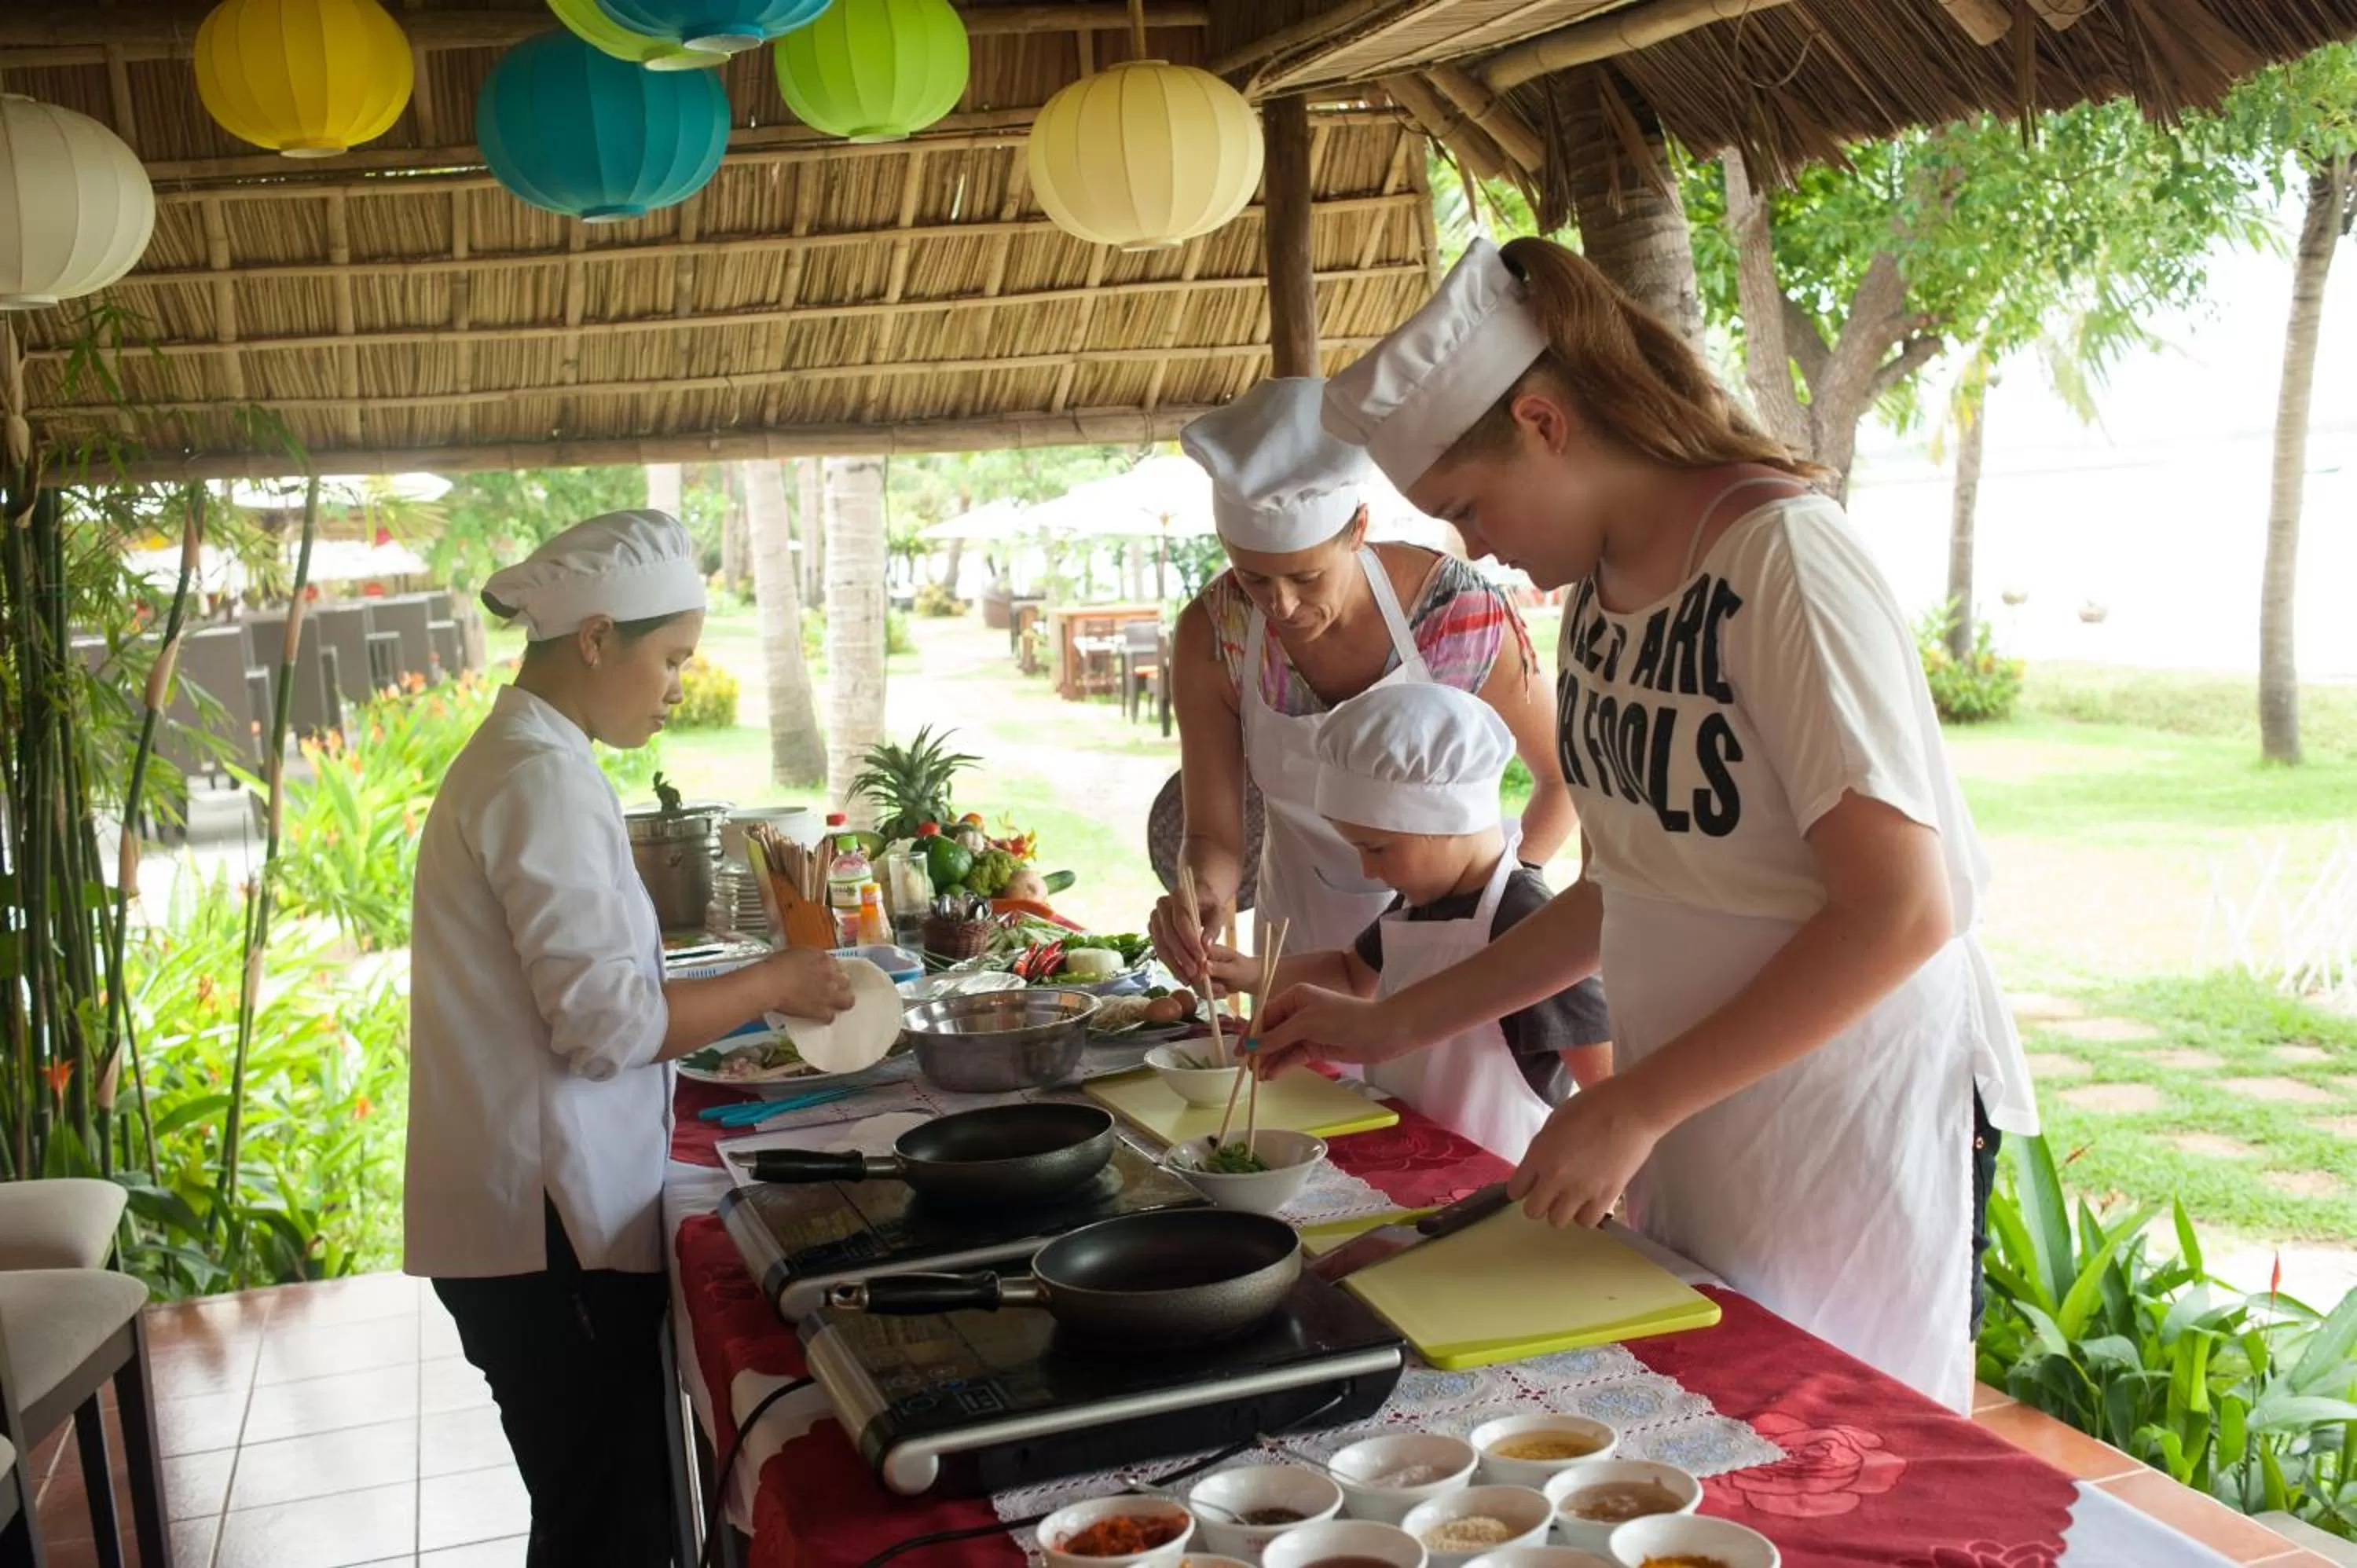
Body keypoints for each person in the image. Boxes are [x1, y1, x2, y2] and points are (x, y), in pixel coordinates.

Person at [1252, 238, 2038, 1415]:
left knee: (1842, 1429)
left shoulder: (1779, 560)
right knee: (1712, 1407)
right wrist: (1395, 1013)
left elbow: (1900, 912)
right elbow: (1632, 886)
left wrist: (1635, 1102)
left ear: (1545, 422)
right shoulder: (1605, 606)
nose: (1475, 544)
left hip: (1838, 1111)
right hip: (1705, 1107)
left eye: (1470, 505)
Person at [405, 510, 852, 1566]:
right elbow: (606, 1026)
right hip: (543, 1228)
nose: (678, 684)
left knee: (597, 1514)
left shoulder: (538, 756)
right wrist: (779, 980)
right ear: (597, 636)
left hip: (538, 1215)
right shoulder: (536, 777)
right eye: (671, 657)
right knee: (609, 1530)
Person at [1151, 377, 1596, 1097]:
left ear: (1357, 528)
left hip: (1458, 977)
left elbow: (1563, 777)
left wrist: (1488, 907)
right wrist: (1201, 895)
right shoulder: (1217, 632)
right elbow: (1216, 835)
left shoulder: (1457, 610)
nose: (1283, 605)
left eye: (1305, 575)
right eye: (1254, 578)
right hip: (1297, 947)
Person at [1205, 683, 1610, 1160]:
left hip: (1497, 1179)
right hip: (1406, 1155)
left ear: (1447, 822)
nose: (1367, 871)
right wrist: (1250, 971)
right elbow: (1351, 973)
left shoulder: (1529, 921)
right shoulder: (1415, 903)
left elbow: (1604, 1082)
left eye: (1376, 849)